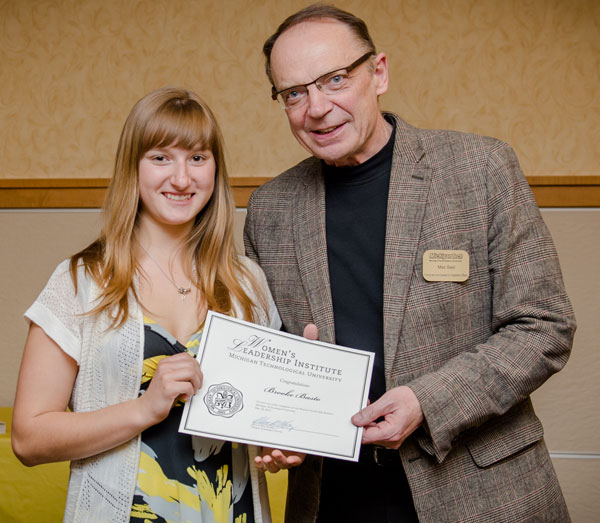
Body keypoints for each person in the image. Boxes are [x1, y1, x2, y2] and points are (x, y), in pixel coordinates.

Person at [244, 4, 576, 522]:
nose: (317, 107)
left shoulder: (480, 169)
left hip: (481, 492)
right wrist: (278, 426)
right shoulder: (270, 209)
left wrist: (427, 401)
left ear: (378, 73)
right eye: (294, 93)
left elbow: (544, 325)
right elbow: (268, 358)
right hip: (335, 497)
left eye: (335, 79)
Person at [12, 87, 282, 522]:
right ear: (132, 167)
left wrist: (286, 439)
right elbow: (28, 439)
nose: (182, 179)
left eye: (198, 157)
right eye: (161, 158)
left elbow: (265, 416)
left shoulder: (247, 283)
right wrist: (143, 409)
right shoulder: (80, 281)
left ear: (215, 169)